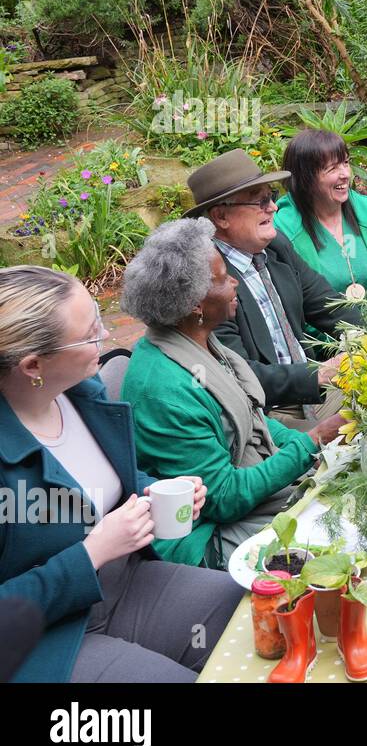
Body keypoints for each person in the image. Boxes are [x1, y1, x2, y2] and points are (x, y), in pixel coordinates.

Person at [0, 266, 244, 681]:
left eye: (99, 317)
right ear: (33, 365)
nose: (108, 337)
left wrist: (155, 491)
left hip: (124, 583)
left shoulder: (79, 395)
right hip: (46, 638)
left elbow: (109, 491)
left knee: (252, 618)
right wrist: (91, 553)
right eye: (91, 333)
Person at [120, 219, 346, 569]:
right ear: (195, 302)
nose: (235, 283)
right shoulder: (164, 388)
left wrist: (317, 450)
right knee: (335, 533)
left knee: (348, 491)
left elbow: (255, 419)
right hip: (207, 537)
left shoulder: (202, 342)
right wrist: (313, 441)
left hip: (248, 501)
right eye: (224, 278)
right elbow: (223, 497)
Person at [185, 148, 361, 430]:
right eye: (261, 201)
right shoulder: (210, 283)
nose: (273, 208)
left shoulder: (276, 247)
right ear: (221, 217)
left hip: (317, 395)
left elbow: (328, 305)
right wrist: (318, 374)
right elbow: (236, 373)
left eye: (272, 197)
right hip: (266, 415)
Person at [274, 128, 367, 326]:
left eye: (345, 162)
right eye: (332, 168)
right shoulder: (284, 231)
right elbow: (291, 310)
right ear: (305, 178)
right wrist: (349, 343)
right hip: (328, 349)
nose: (345, 174)